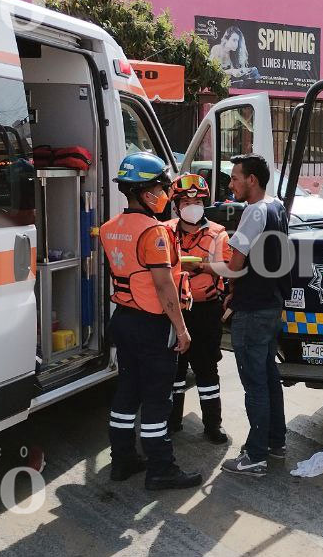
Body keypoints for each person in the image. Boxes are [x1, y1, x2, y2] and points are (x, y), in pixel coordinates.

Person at [100, 152, 201, 490]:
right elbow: (163, 285)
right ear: (145, 191)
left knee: (127, 391)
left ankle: (122, 460)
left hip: (123, 320)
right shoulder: (154, 233)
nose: (166, 193)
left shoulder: (110, 228)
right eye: (161, 186)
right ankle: (161, 469)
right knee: (158, 398)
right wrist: (181, 328)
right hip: (152, 324)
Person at [220, 153, 289, 477]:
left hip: (253, 310)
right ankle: (275, 441)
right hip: (271, 304)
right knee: (268, 377)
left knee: (255, 385)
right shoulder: (277, 207)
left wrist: (208, 268)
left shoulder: (253, 211)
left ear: (252, 180)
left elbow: (235, 264)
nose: (231, 183)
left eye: (235, 177)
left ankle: (256, 456)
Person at [166, 173, 231, 444]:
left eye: (197, 200)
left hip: (206, 309)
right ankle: (172, 421)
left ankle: (212, 425)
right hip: (174, 310)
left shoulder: (217, 233)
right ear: (177, 204)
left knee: (206, 369)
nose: (191, 204)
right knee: (174, 370)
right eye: (185, 200)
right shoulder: (165, 230)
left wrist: (201, 266)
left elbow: (228, 267)